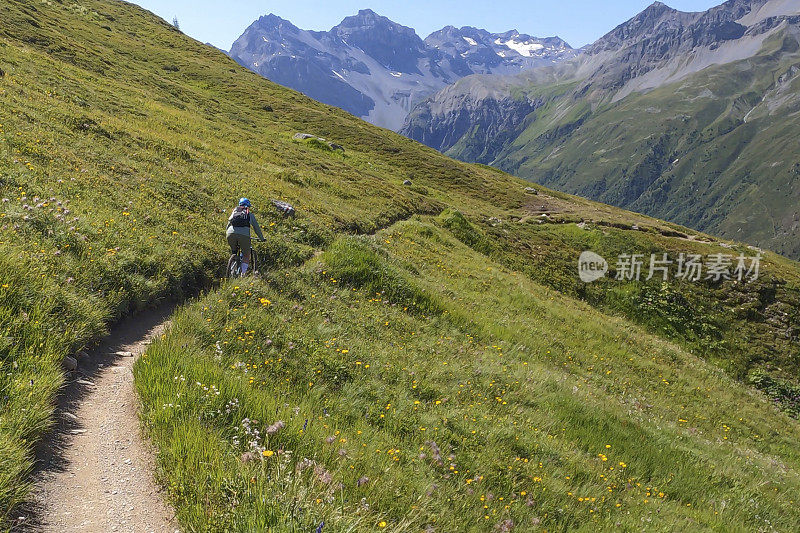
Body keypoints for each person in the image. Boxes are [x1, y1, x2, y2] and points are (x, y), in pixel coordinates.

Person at [226, 198, 265, 275]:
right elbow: (256, 228)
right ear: (248, 206)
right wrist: (262, 238)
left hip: (230, 233)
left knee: (234, 251)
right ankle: (242, 274)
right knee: (246, 254)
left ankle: (231, 270)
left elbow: (228, 224)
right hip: (244, 236)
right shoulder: (249, 215)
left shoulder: (234, 212)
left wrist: (227, 234)